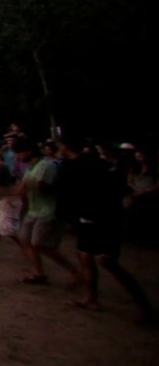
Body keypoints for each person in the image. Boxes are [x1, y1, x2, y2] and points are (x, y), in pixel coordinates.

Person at [59, 135, 155, 322]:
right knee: (85, 256)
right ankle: (91, 297)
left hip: (105, 218)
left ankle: (145, 306)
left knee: (107, 261)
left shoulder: (96, 166)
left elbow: (119, 190)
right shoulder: (83, 165)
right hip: (88, 217)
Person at [16, 138, 82, 287]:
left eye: (19, 152)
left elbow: (41, 187)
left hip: (47, 209)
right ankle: (38, 272)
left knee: (42, 244)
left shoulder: (45, 166)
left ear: (29, 152)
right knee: (25, 239)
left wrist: (28, 189)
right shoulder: (31, 167)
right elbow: (25, 188)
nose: (18, 156)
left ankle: (75, 272)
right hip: (34, 209)